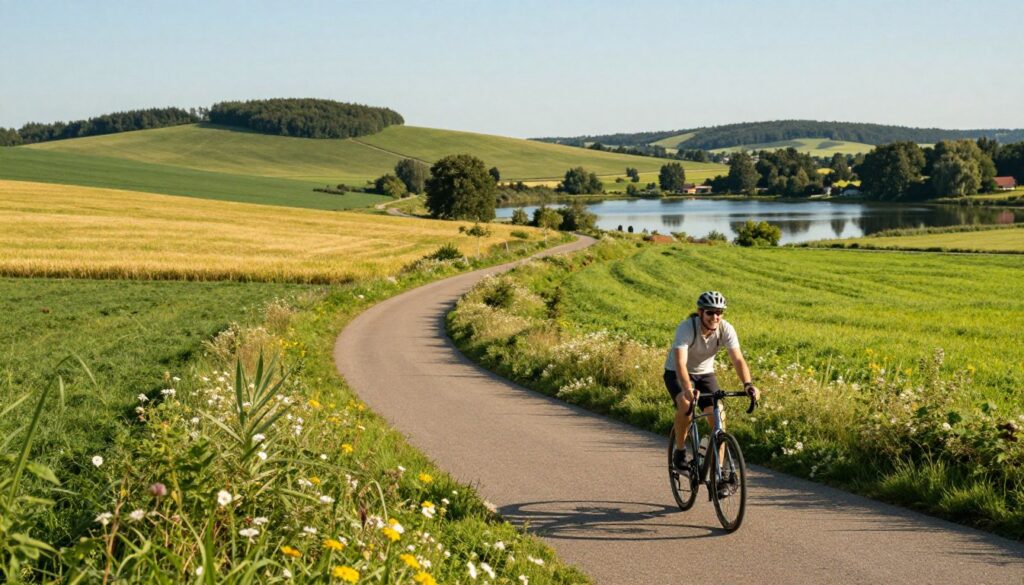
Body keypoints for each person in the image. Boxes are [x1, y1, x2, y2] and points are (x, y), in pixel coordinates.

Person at [664, 291, 760, 470]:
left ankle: (720, 473)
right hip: (677, 372)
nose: (715, 317)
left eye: (719, 312)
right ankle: (680, 451)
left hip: (705, 374)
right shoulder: (687, 328)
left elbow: (738, 359)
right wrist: (687, 389)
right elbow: (680, 363)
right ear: (700, 312)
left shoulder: (726, 329)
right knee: (686, 406)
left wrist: (748, 384)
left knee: (719, 418)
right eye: (710, 312)